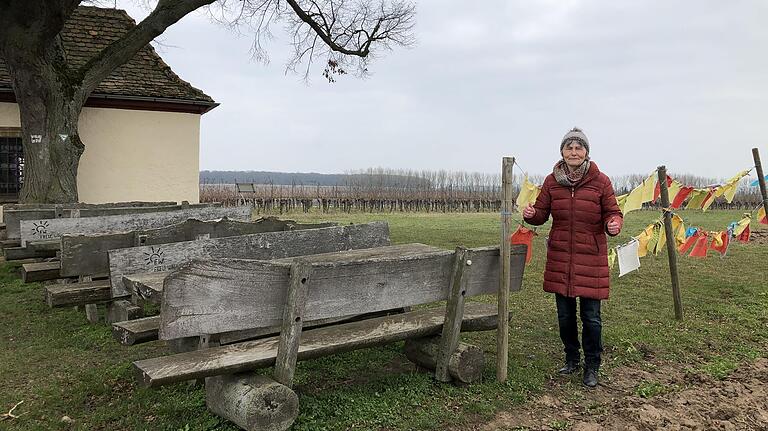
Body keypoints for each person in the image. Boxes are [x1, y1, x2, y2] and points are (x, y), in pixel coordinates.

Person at [522, 127, 623, 388]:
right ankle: (571, 359)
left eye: (579, 147)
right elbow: (542, 214)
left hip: (591, 257)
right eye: (569, 147)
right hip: (561, 256)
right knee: (565, 315)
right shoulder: (551, 181)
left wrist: (614, 223)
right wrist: (531, 214)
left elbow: (613, 211)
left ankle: (592, 365)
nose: (574, 152)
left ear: (586, 152)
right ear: (562, 152)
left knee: (591, 316)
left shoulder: (601, 181)